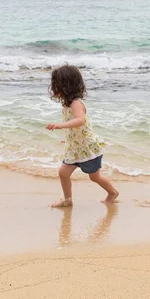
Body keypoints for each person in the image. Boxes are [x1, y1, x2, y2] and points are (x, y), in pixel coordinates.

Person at [46, 65, 119, 207]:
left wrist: (59, 126)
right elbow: (74, 126)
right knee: (63, 173)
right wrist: (68, 138)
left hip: (87, 149)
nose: (53, 89)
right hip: (75, 149)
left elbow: (80, 120)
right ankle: (68, 199)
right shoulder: (67, 104)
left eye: (55, 85)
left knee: (94, 177)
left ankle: (112, 192)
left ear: (65, 86)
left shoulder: (76, 103)